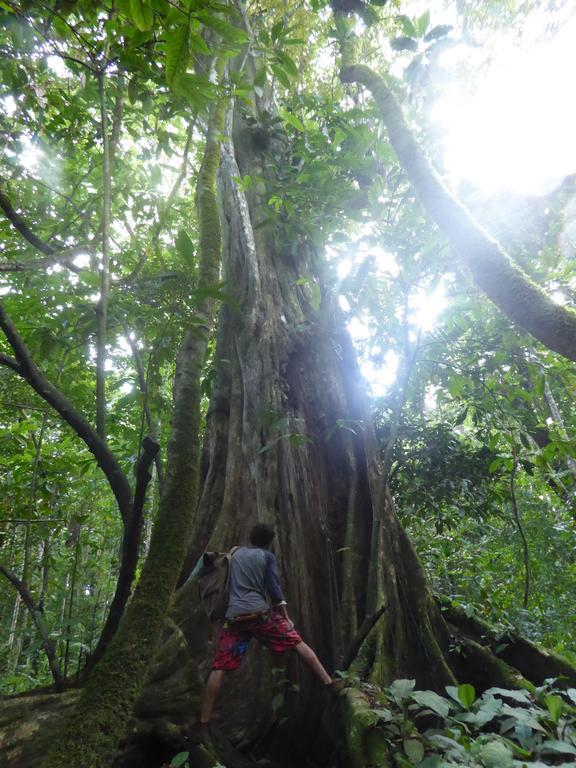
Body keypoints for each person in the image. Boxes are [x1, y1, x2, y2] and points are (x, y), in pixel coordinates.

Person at [199, 522, 333, 725]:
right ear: (269, 542)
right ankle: (329, 683)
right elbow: (274, 590)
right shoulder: (267, 557)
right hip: (260, 615)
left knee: (219, 667)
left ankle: (202, 721)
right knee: (298, 643)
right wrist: (286, 618)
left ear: (251, 538)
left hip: (235, 619)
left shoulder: (235, 554)